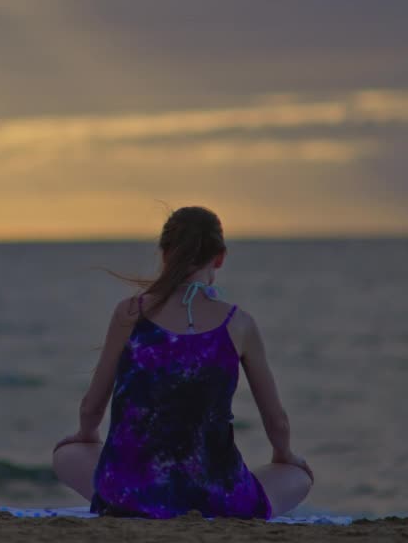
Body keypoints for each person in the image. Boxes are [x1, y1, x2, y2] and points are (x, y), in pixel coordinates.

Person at [51, 206, 313, 519]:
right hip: (219, 498)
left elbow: (91, 407)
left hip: (132, 495)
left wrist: (87, 434)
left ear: (164, 254)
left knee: (66, 454)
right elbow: (277, 421)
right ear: (219, 258)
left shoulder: (130, 313)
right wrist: (284, 455)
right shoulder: (239, 323)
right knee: (297, 475)